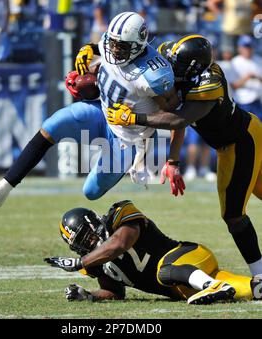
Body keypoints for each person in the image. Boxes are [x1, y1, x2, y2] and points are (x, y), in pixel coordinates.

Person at [0, 11, 185, 209]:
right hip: (102, 113)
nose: (115, 50)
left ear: (138, 45)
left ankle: (126, 166)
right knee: (53, 124)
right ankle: (2, 189)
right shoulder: (113, 43)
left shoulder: (153, 76)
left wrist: (169, 157)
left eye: (122, 47)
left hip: (129, 139)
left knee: (91, 192)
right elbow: (101, 53)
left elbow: (177, 119)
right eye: (113, 43)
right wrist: (88, 55)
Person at [106, 34, 262, 281]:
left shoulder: (209, 83)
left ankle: (260, 276)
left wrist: (133, 118)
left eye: (176, 64)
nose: (169, 66)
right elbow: (136, 51)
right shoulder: (172, 55)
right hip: (233, 141)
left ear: (192, 68)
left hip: (241, 142)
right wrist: (173, 161)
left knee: (233, 214)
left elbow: (179, 120)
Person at [44, 200, 261, 304]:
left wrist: (80, 262)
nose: (89, 244)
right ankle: (227, 287)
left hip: (191, 256)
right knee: (251, 289)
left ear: (93, 224)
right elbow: (115, 293)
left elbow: (119, 244)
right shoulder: (95, 263)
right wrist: (89, 296)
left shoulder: (119, 215)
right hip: (185, 287)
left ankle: (211, 286)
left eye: (87, 236)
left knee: (164, 271)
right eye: (82, 244)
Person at [230, 35, 262, 121]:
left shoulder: (258, 60)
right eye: (245, 47)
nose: (248, 49)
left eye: (250, 46)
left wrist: (257, 77)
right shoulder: (235, 62)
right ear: (239, 48)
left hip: (256, 101)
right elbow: (233, 86)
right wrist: (246, 78)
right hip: (242, 102)